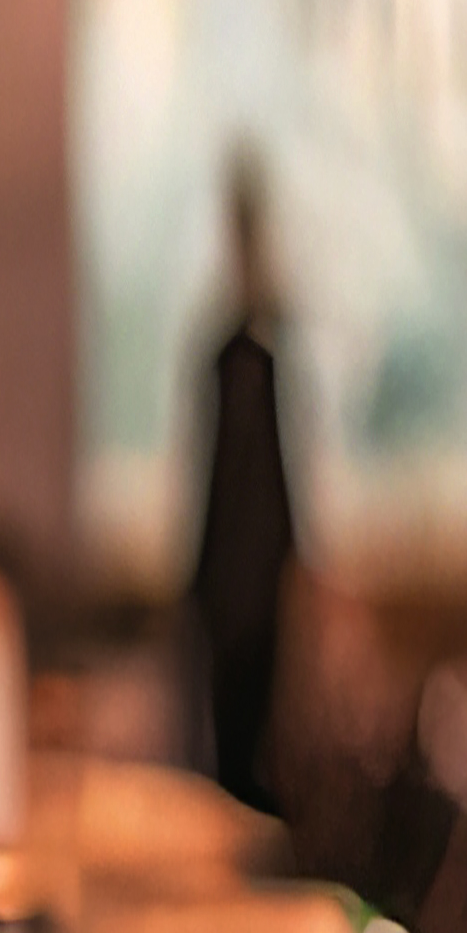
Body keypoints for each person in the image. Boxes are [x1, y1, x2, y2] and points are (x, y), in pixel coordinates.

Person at [183, 148, 299, 802]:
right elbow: (215, 482)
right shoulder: (229, 356)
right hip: (234, 586)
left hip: (252, 586)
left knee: (254, 748)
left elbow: (276, 478)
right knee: (230, 749)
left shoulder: (257, 356)